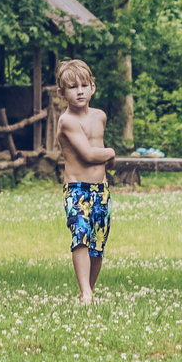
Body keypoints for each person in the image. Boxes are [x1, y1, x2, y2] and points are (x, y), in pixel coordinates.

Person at [52, 59, 116, 302]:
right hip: (78, 189)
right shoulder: (67, 121)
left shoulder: (100, 116)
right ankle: (86, 292)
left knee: (97, 242)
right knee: (81, 235)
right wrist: (111, 153)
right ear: (61, 93)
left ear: (93, 88)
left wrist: (108, 161)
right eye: (72, 87)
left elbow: (98, 155)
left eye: (84, 85)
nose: (79, 91)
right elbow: (89, 155)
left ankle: (86, 291)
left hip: (101, 189)